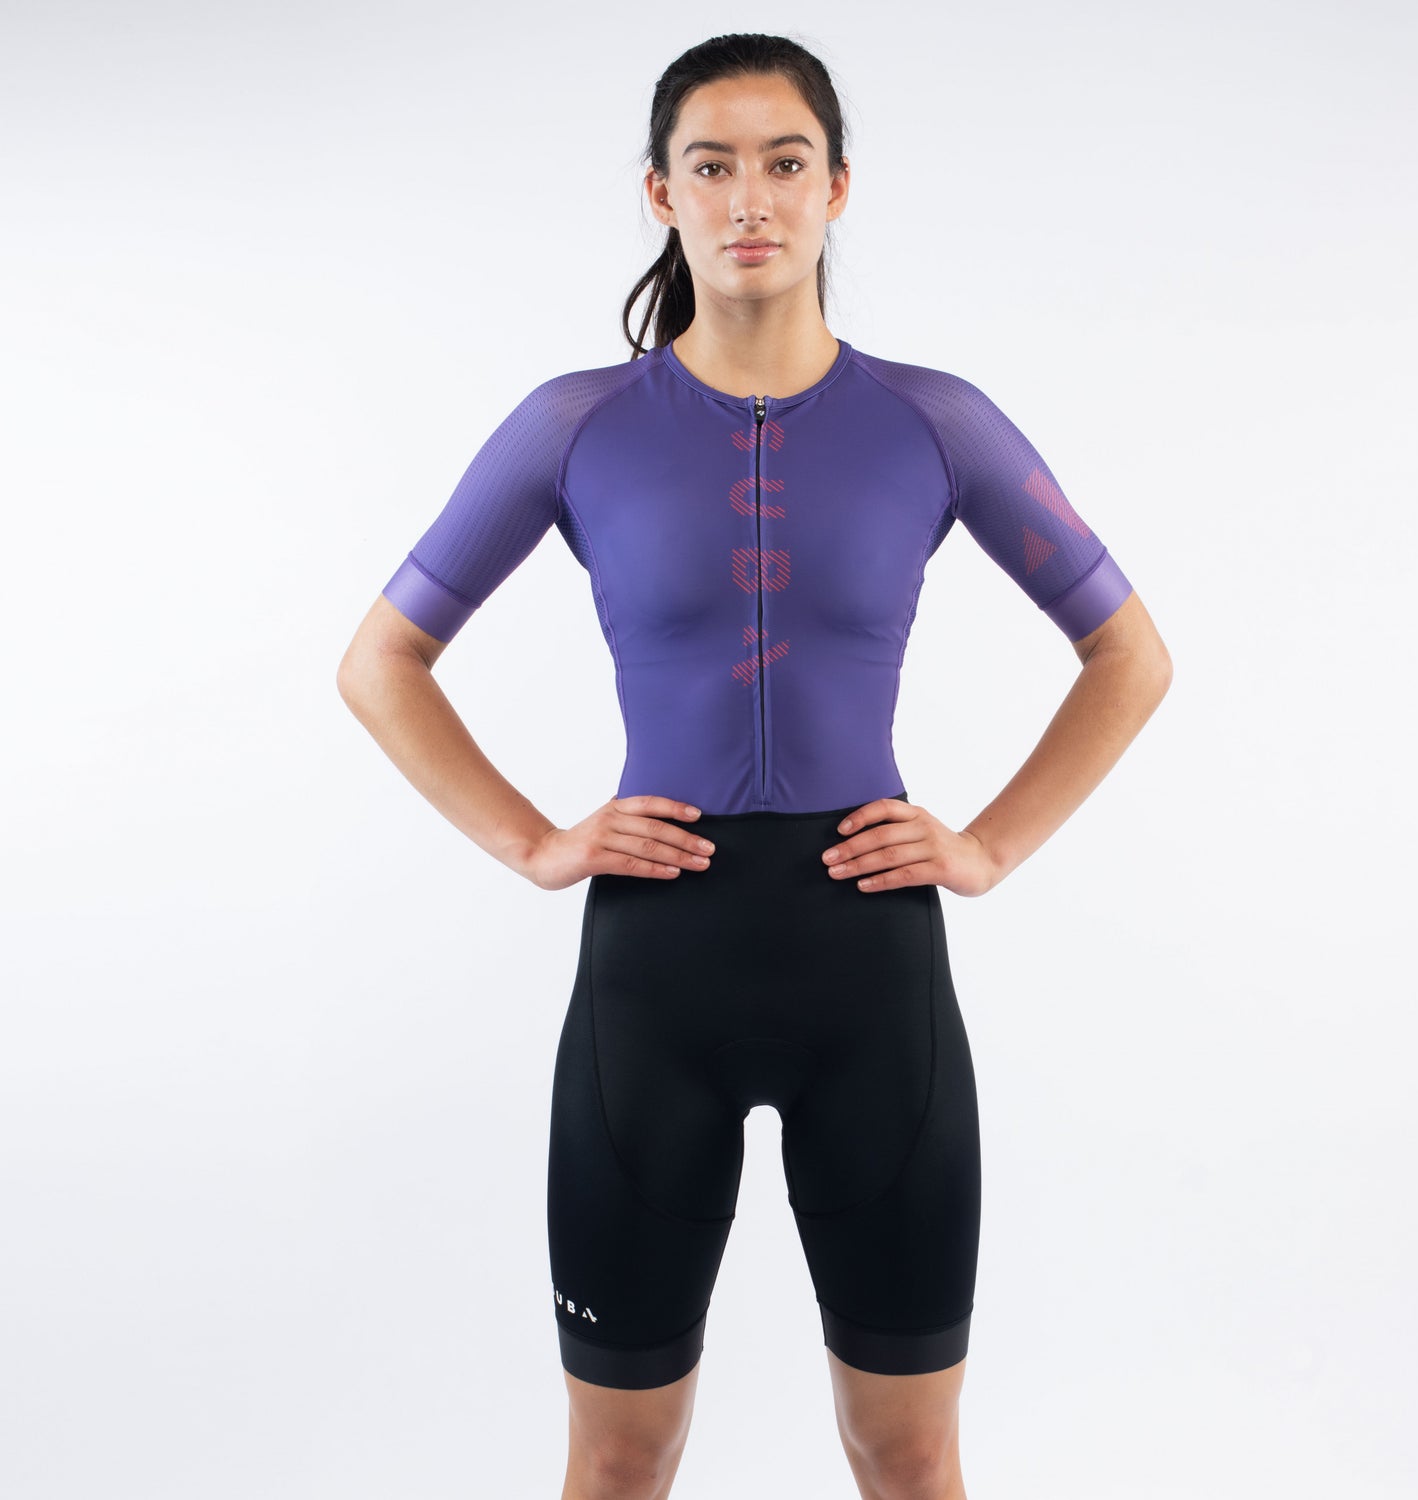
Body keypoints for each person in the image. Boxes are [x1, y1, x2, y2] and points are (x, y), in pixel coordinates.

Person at [337, 31, 1171, 1500]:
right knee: (620, 1459)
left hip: (873, 976)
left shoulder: (936, 422)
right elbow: (381, 661)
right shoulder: (575, 427)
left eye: (785, 164)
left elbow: (1129, 654)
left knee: (907, 1455)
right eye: (711, 165)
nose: (750, 199)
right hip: (654, 982)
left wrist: (987, 846)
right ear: (660, 191)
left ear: (836, 187)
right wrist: (535, 842)